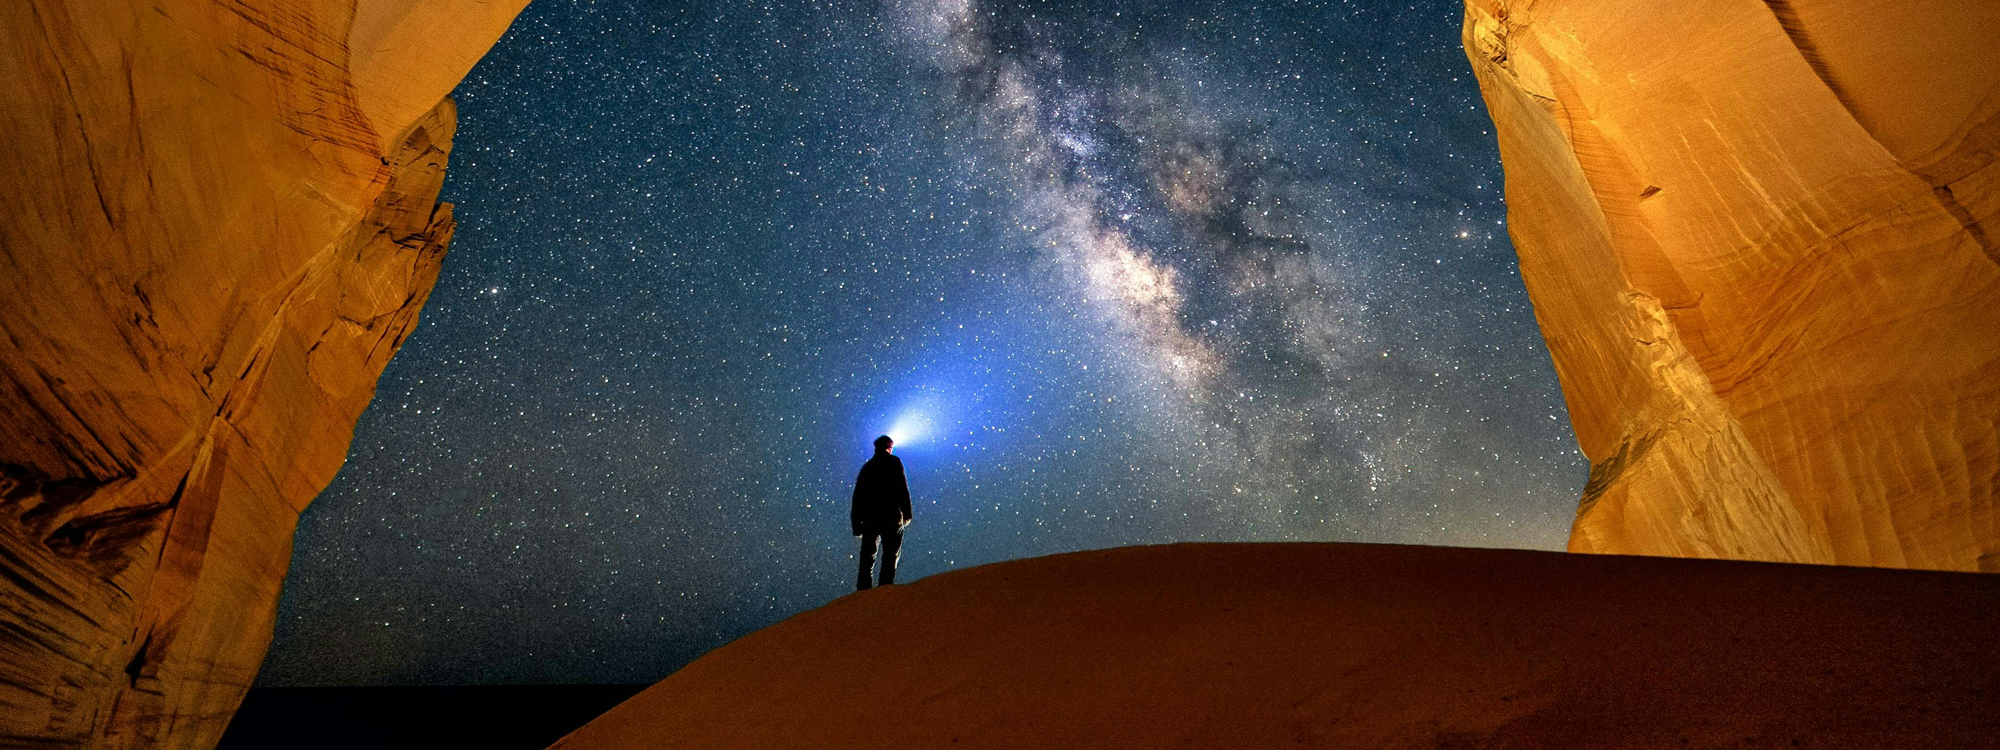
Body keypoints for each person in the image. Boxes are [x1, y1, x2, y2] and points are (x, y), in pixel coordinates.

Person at [850, 435, 912, 590]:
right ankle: (885, 589)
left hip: (871, 518)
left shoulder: (868, 467)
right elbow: (901, 488)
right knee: (891, 555)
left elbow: (858, 496)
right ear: (889, 447)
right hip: (891, 517)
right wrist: (907, 512)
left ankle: (863, 591)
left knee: (867, 557)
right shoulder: (894, 463)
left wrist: (856, 523)